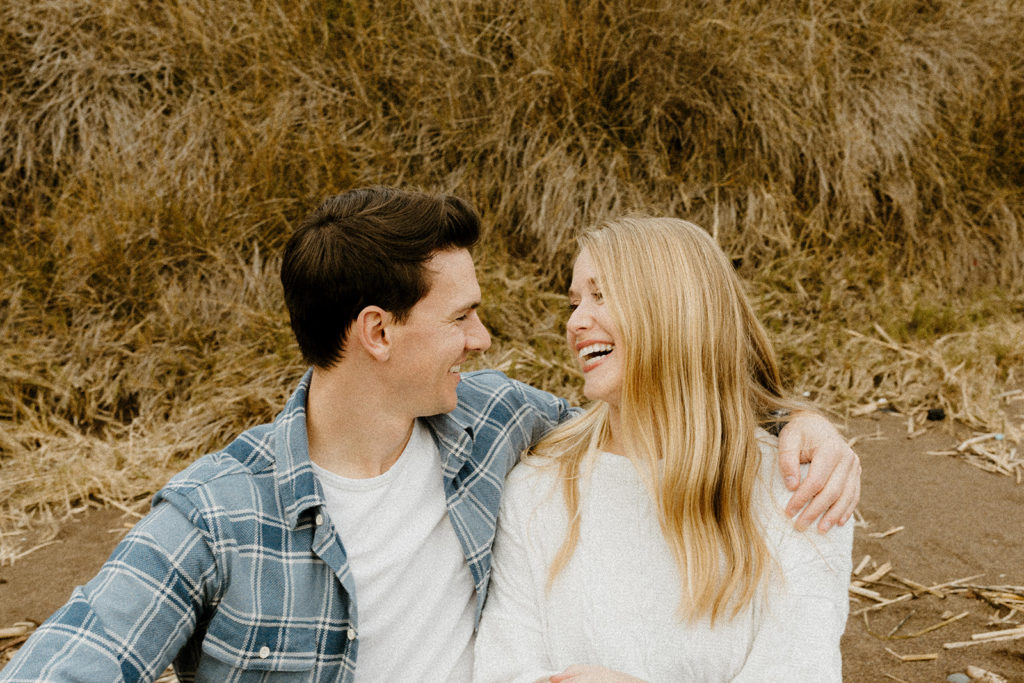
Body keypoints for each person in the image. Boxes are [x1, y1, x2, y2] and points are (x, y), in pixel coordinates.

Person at [1, 189, 857, 682]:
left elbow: (665, 421)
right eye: (463, 317)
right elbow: (74, 660)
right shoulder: (220, 514)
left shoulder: (493, 428)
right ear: (379, 333)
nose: (486, 340)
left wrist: (798, 424)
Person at [474, 216, 854, 682]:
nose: (575, 321)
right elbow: (503, 665)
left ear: (675, 308)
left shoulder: (798, 485)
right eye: (574, 303)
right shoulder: (537, 484)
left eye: (601, 294)